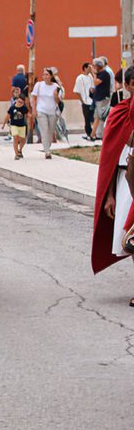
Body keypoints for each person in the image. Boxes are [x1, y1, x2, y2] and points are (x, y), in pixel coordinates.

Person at [91, 66, 134, 302]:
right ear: (126, 86)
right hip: (127, 183)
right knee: (132, 237)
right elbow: (109, 159)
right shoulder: (118, 113)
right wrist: (109, 196)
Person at [31, 67, 63, 158]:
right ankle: (47, 152)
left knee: (50, 131)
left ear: (51, 76)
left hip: (52, 111)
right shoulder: (39, 85)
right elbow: (33, 97)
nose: (45, 76)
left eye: (47, 75)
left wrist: (56, 96)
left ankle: (47, 147)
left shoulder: (56, 87)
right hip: (41, 110)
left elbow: (58, 101)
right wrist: (34, 109)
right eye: (44, 74)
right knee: (44, 130)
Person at [0, 88, 31, 159]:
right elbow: (7, 116)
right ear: (16, 100)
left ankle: (20, 150)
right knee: (16, 138)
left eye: (22, 103)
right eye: (19, 102)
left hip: (22, 125)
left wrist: (29, 116)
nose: (20, 104)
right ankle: (16, 154)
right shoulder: (12, 108)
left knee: (22, 140)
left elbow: (27, 115)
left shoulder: (24, 108)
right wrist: (3, 124)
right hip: (14, 125)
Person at [90, 57, 112, 141]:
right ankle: (93, 134)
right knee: (97, 116)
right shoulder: (100, 74)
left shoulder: (104, 74)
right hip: (97, 98)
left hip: (102, 98)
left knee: (100, 116)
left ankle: (97, 134)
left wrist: (94, 73)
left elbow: (96, 82)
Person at [74, 62, 95, 139]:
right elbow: (77, 91)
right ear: (85, 68)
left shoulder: (91, 77)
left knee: (93, 117)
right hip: (85, 101)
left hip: (92, 100)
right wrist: (82, 101)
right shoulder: (80, 78)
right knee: (87, 118)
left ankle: (93, 132)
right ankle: (88, 133)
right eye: (89, 68)